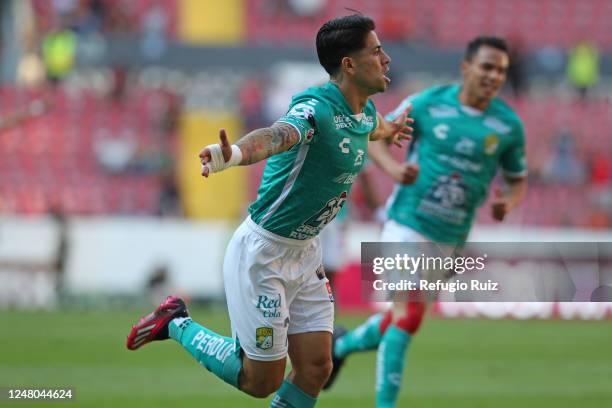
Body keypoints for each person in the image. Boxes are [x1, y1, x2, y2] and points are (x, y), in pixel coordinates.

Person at [126, 14, 412, 408]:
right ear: (348, 64)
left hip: (306, 251)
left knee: (316, 366)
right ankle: (176, 322)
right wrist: (236, 154)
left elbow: (371, 126)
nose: (386, 59)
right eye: (376, 51)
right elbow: (279, 136)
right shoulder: (315, 109)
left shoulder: (362, 112)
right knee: (260, 381)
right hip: (264, 254)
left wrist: (391, 128)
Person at [324, 36, 528, 407]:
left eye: (501, 70)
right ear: (466, 67)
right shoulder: (429, 104)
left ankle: (343, 345)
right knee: (408, 312)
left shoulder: (507, 126)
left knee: (404, 317)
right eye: (486, 67)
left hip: (451, 239)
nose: (494, 76)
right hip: (406, 222)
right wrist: (395, 169)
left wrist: (508, 203)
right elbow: (375, 136)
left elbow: (517, 178)